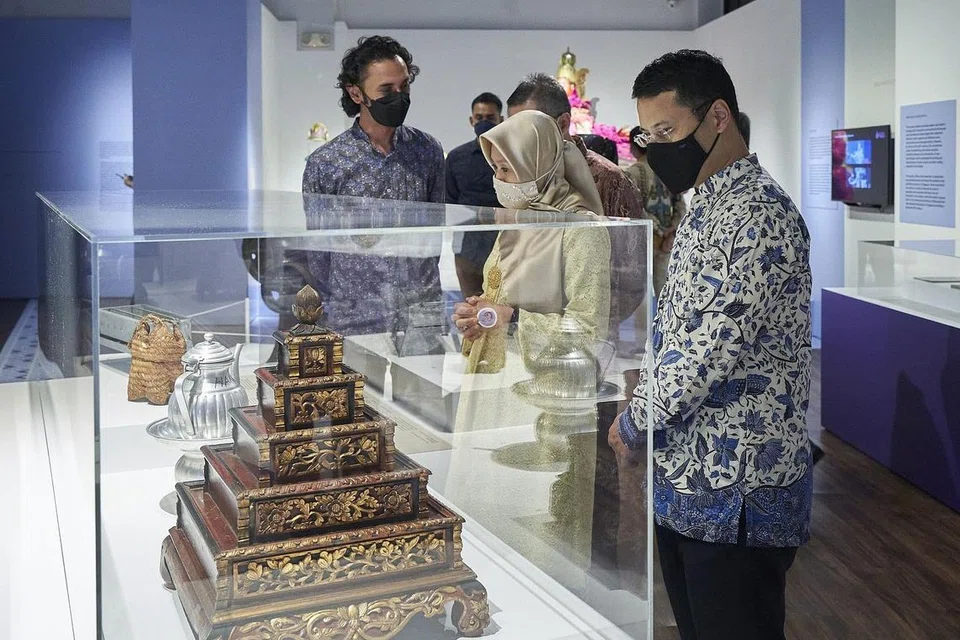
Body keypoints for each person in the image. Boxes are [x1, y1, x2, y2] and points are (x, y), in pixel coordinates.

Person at [610, 50, 813, 640]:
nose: (657, 149)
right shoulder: (708, 205)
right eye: (648, 136)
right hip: (691, 479)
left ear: (717, 116)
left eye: (667, 131)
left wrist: (635, 422)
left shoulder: (758, 215)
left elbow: (704, 352)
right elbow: (677, 332)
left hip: (740, 488)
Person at [301, 35, 444, 335]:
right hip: (356, 316)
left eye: (404, 86)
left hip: (420, 311)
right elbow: (319, 252)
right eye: (386, 89)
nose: (399, 96)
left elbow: (435, 232)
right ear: (356, 93)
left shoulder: (427, 150)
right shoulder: (326, 162)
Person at [450, 110, 611, 374]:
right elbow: (501, 296)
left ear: (538, 164)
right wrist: (478, 315)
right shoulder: (521, 218)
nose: (498, 179)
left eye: (506, 168)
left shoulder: (581, 229)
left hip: (543, 384)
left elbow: (589, 329)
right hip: (497, 373)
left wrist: (510, 319)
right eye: (495, 168)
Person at [506, 73, 646, 344]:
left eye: (528, 128)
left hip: (588, 340)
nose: (516, 140)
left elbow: (629, 280)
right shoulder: (519, 177)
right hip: (524, 334)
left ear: (562, 124)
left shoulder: (609, 181)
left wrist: (576, 323)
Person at [446, 92, 504, 298]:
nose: (484, 122)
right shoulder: (456, 157)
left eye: (490, 118)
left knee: (504, 306)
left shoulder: (511, 157)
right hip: (467, 248)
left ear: (501, 120)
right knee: (471, 304)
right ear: (471, 120)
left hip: (505, 246)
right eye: (479, 118)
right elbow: (450, 201)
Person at [624, 124, 686, 296]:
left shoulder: (633, 172)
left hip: (644, 242)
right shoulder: (667, 170)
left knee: (639, 296)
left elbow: (634, 209)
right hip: (667, 243)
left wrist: (658, 229)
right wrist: (671, 232)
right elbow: (680, 205)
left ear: (633, 147)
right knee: (665, 292)